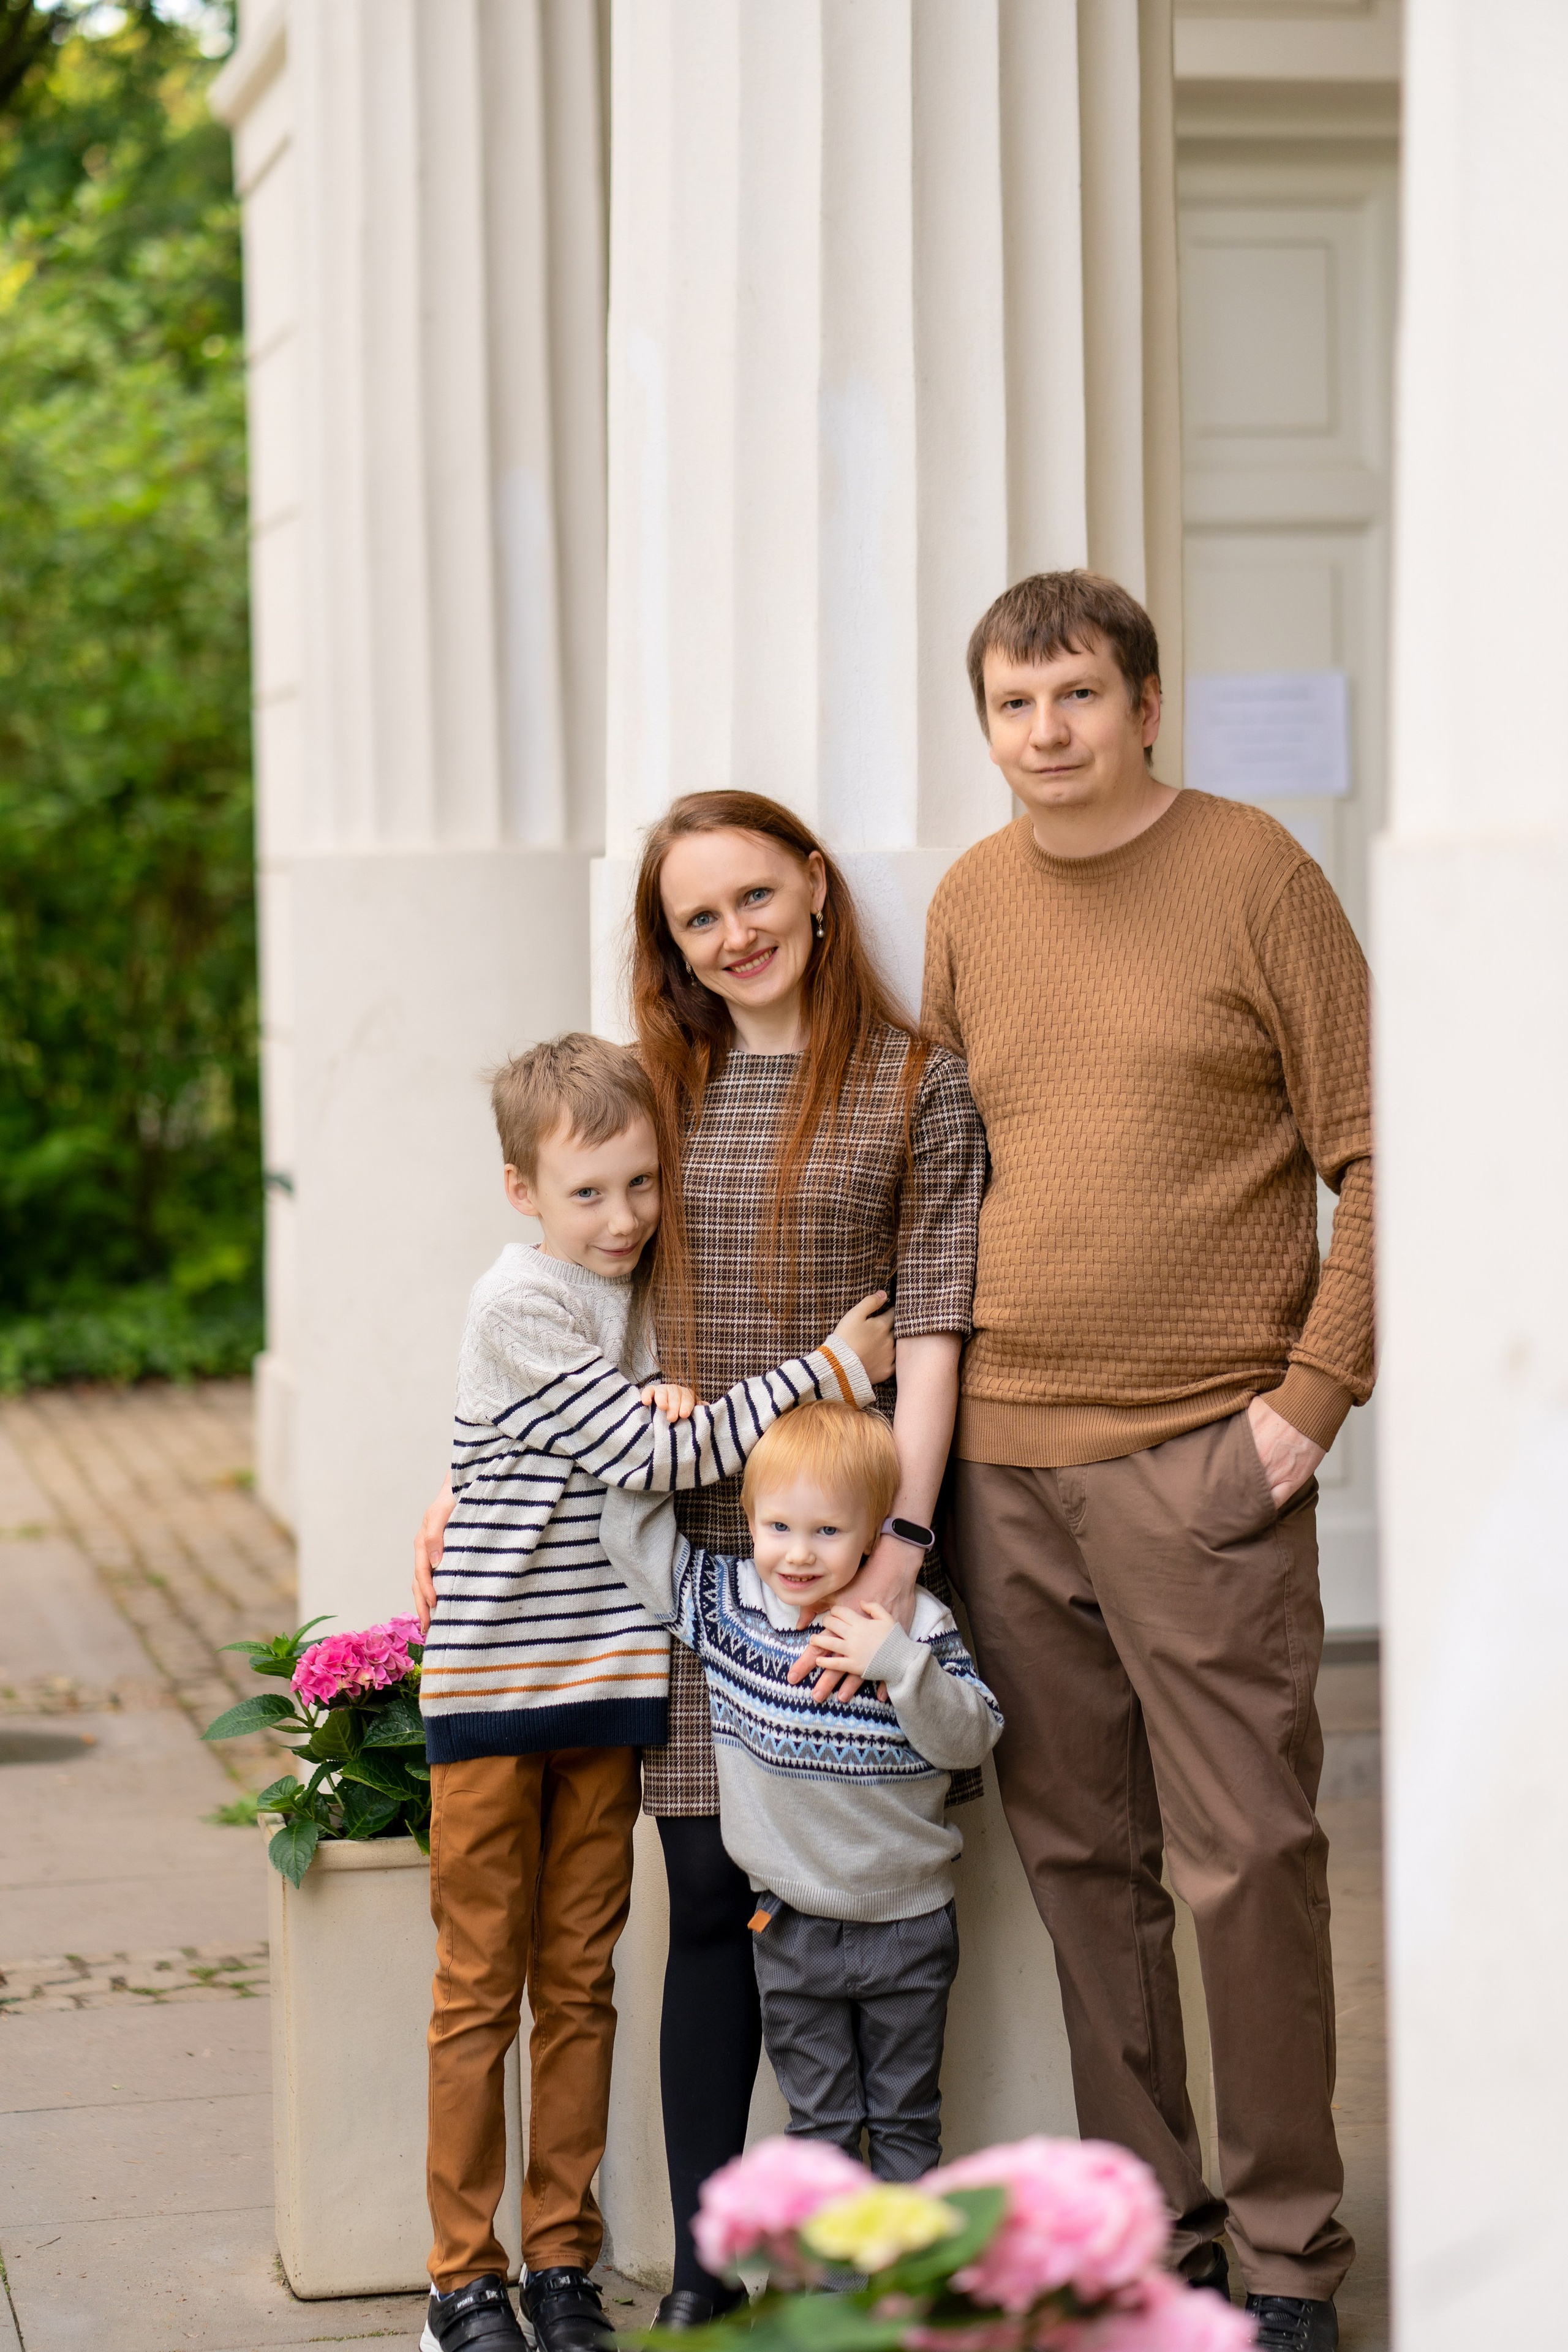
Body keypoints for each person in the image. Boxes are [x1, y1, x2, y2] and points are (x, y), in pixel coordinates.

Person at [415, 793, 986, 2328]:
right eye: (695, 917)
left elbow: (932, 1328)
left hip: (832, 1545)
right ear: (668, 945)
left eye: (753, 896)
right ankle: (705, 2274)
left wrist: (902, 1543)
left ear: (815, 885)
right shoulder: (659, 1083)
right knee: (701, 1897)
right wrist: (469, 1479)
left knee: (849, 1914)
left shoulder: (914, 1083)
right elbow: (569, 1307)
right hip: (674, 1560)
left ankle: (859, 2259)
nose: (733, 934)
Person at [917, 570, 1373, 2352]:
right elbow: (946, 1170)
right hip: (1004, 1463)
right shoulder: (970, 899)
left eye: (1077, 696)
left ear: (1144, 706)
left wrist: (1309, 1395)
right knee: (1080, 1868)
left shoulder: (1255, 873)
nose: (1045, 731)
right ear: (987, 726)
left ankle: (1284, 2258)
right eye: (1013, 704)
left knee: (1245, 1858)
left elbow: (1379, 1146)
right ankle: (1149, 2235)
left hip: (1204, 1452)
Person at [417, 1032, 892, 2352]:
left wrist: (660, 1395)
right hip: (495, 1696)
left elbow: (635, 1431)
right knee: (478, 1991)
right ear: (522, 1191)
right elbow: (652, 1454)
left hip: (608, 1697)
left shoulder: (631, 1299)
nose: (622, 1216)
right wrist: (829, 1373)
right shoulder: (517, 1304)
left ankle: (561, 2265)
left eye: (641, 1183)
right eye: (588, 1193)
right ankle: (462, 2281)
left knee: (580, 1985)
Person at [601, 1401, 1001, 2179]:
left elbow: (972, 1738)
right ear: (749, 1520)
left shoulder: (914, 1624)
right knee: (820, 2130)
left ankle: (908, 2262)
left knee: (907, 2124)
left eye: (828, 1531)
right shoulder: (729, 1608)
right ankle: (832, 2264)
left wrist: (899, 1663)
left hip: (909, 1925)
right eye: (779, 1526)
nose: (798, 1554)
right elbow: (630, 1540)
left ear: (874, 1531)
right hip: (787, 1926)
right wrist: (658, 1433)